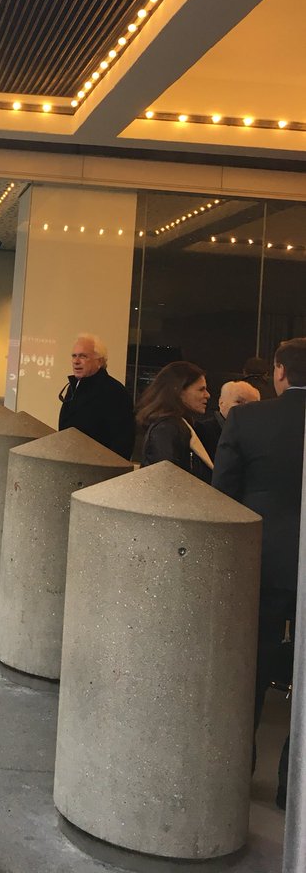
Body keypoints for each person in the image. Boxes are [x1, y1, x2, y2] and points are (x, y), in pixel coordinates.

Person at [212, 337, 306, 810]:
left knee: (248, 669)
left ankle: (235, 770)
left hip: (261, 563)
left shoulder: (247, 420)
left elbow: (223, 498)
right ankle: (295, 785)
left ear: (280, 371)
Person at [57, 333, 135, 458]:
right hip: (68, 461)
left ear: (99, 361)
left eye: (83, 356)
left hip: (96, 465)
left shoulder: (115, 392)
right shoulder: (74, 387)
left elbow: (122, 443)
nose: (76, 361)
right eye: (74, 356)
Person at [136, 360, 212, 481]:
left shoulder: (176, 426)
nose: (207, 395)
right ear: (179, 391)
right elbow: (166, 481)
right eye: (201, 389)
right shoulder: (167, 429)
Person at [194, 379, 260, 460]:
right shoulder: (202, 431)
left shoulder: (257, 435)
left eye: (251, 405)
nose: (245, 408)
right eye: (239, 402)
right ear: (221, 403)